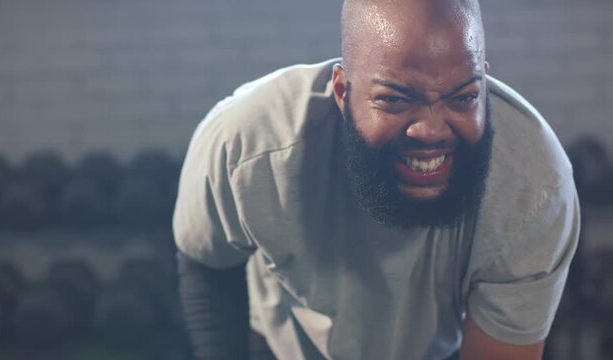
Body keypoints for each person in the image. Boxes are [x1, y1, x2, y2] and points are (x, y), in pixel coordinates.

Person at [173, 0, 580, 359]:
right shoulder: (250, 147)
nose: (431, 131)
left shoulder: (533, 190)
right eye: (395, 99)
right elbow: (207, 261)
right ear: (342, 91)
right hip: (285, 345)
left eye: (463, 98)